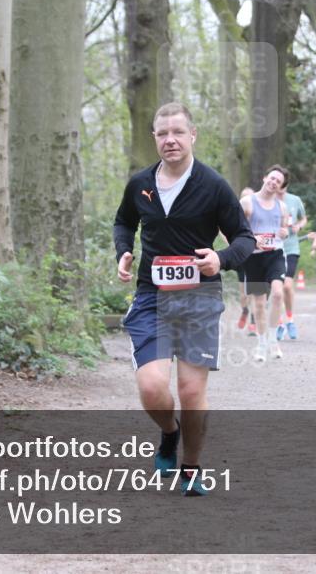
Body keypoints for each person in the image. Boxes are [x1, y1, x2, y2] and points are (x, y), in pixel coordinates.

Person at [114, 102, 255, 496]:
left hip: (199, 299)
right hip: (151, 297)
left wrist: (220, 259)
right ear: (154, 138)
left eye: (178, 132)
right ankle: (169, 432)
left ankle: (191, 469)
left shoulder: (212, 185)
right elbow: (124, 221)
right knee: (152, 387)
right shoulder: (140, 183)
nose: (170, 140)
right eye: (162, 133)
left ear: (193, 135)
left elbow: (246, 239)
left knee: (192, 392)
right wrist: (123, 249)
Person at [239, 165, 290, 362]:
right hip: (253, 258)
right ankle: (261, 343)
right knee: (259, 304)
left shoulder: (282, 207)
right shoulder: (247, 203)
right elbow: (231, 227)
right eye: (272, 178)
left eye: (278, 181)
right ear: (264, 178)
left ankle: (273, 338)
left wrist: (284, 232)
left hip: (275, 255)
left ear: (280, 187)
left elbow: (283, 229)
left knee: (278, 294)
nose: (274, 182)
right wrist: (245, 244)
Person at [277, 180, 308, 341]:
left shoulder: (294, 200)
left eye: (283, 185)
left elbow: (303, 218)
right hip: (273, 249)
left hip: (291, 249)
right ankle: (280, 323)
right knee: (276, 289)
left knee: (287, 286)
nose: (280, 189)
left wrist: (299, 226)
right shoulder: (268, 200)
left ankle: (290, 320)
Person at [234, 187, 257, 335]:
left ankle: (254, 321)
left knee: (255, 290)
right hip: (242, 256)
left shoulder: (260, 215)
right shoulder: (235, 216)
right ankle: (245, 311)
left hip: (257, 256)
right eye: (244, 198)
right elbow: (224, 231)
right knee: (244, 293)